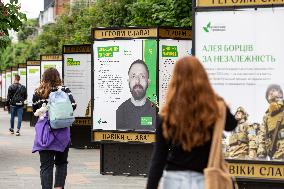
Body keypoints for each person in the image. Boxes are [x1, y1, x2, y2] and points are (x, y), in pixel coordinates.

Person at [146, 56, 237, 189]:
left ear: (175, 81)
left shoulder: (166, 116)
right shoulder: (214, 111)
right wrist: (219, 101)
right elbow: (231, 125)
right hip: (203, 180)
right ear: (203, 79)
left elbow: (158, 159)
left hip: (173, 180)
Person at [32, 68, 76, 189]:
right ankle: (58, 187)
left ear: (44, 77)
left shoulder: (38, 92)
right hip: (62, 132)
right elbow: (73, 106)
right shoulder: (64, 90)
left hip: (45, 133)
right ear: (58, 77)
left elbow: (34, 109)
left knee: (46, 166)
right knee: (61, 163)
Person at [116, 59, 157, 131]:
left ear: (148, 82)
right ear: (128, 81)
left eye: (142, 76)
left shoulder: (155, 111)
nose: (137, 81)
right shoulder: (120, 111)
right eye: (133, 76)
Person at [262, 84, 284, 159]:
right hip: (272, 149)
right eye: (268, 93)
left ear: (280, 94)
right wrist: (261, 152)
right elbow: (263, 135)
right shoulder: (266, 116)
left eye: (273, 90)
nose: (270, 93)